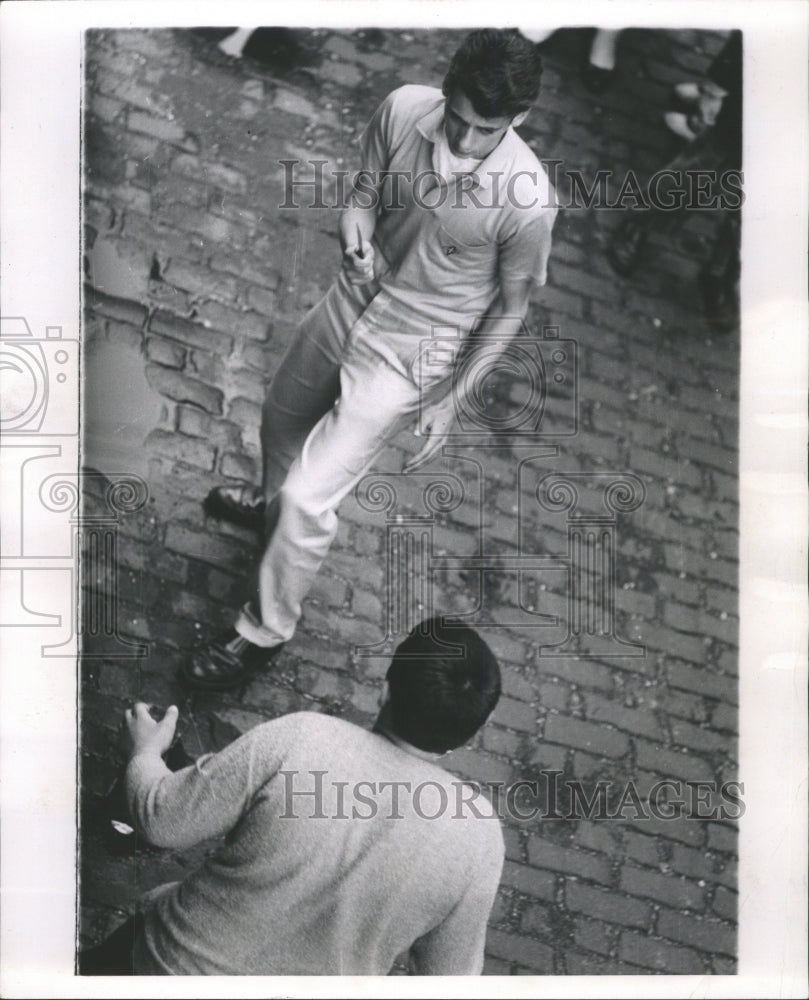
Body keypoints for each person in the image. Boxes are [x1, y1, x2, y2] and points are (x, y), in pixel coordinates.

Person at [184, 28, 557, 690]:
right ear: (444, 92)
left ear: (519, 119)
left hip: (416, 346)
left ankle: (264, 630)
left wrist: (451, 397)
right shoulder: (403, 108)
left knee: (308, 494)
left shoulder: (528, 201)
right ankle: (270, 517)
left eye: (486, 130)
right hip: (352, 298)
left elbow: (511, 309)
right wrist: (353, 236)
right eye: (459, 120)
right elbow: (360, 197)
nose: (465, 142)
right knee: (280, 422)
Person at [79, 619, 505, 976]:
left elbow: (163, 819)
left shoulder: (303, 737)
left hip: (167, 968)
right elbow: (449, 979)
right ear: (464, 737)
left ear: (385, 691)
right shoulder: (478, 838)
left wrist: (145, 753)